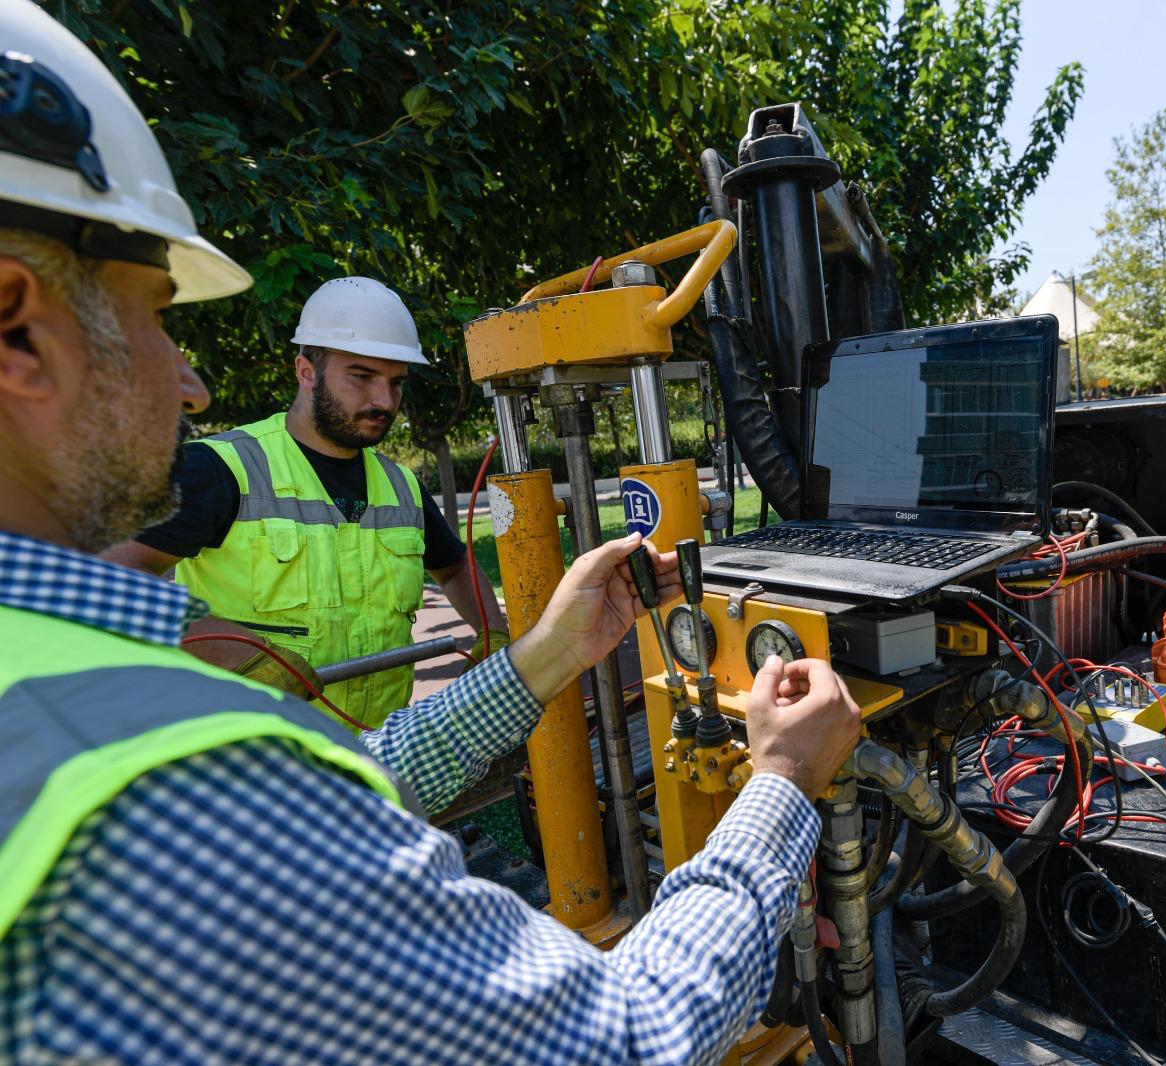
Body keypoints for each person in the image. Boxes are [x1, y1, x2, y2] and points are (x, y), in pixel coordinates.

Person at [0, 5, 862, 1063]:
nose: (189, 378)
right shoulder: (174, 785)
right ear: (15, 323)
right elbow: (624, 1039)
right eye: (157, 315)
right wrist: (779, 788)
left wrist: (544, 652)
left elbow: (349, 765)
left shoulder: (53, 670)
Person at [102, 275, 508, 729]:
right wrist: (237, 653)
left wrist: (492, 633)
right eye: (362, 376)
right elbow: (111, 577)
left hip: (378, 751)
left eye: (396, 382)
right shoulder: (223, 469)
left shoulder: (399, 484)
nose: (383, 400)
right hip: (253, 755)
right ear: (306, 371)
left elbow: (453, 567)